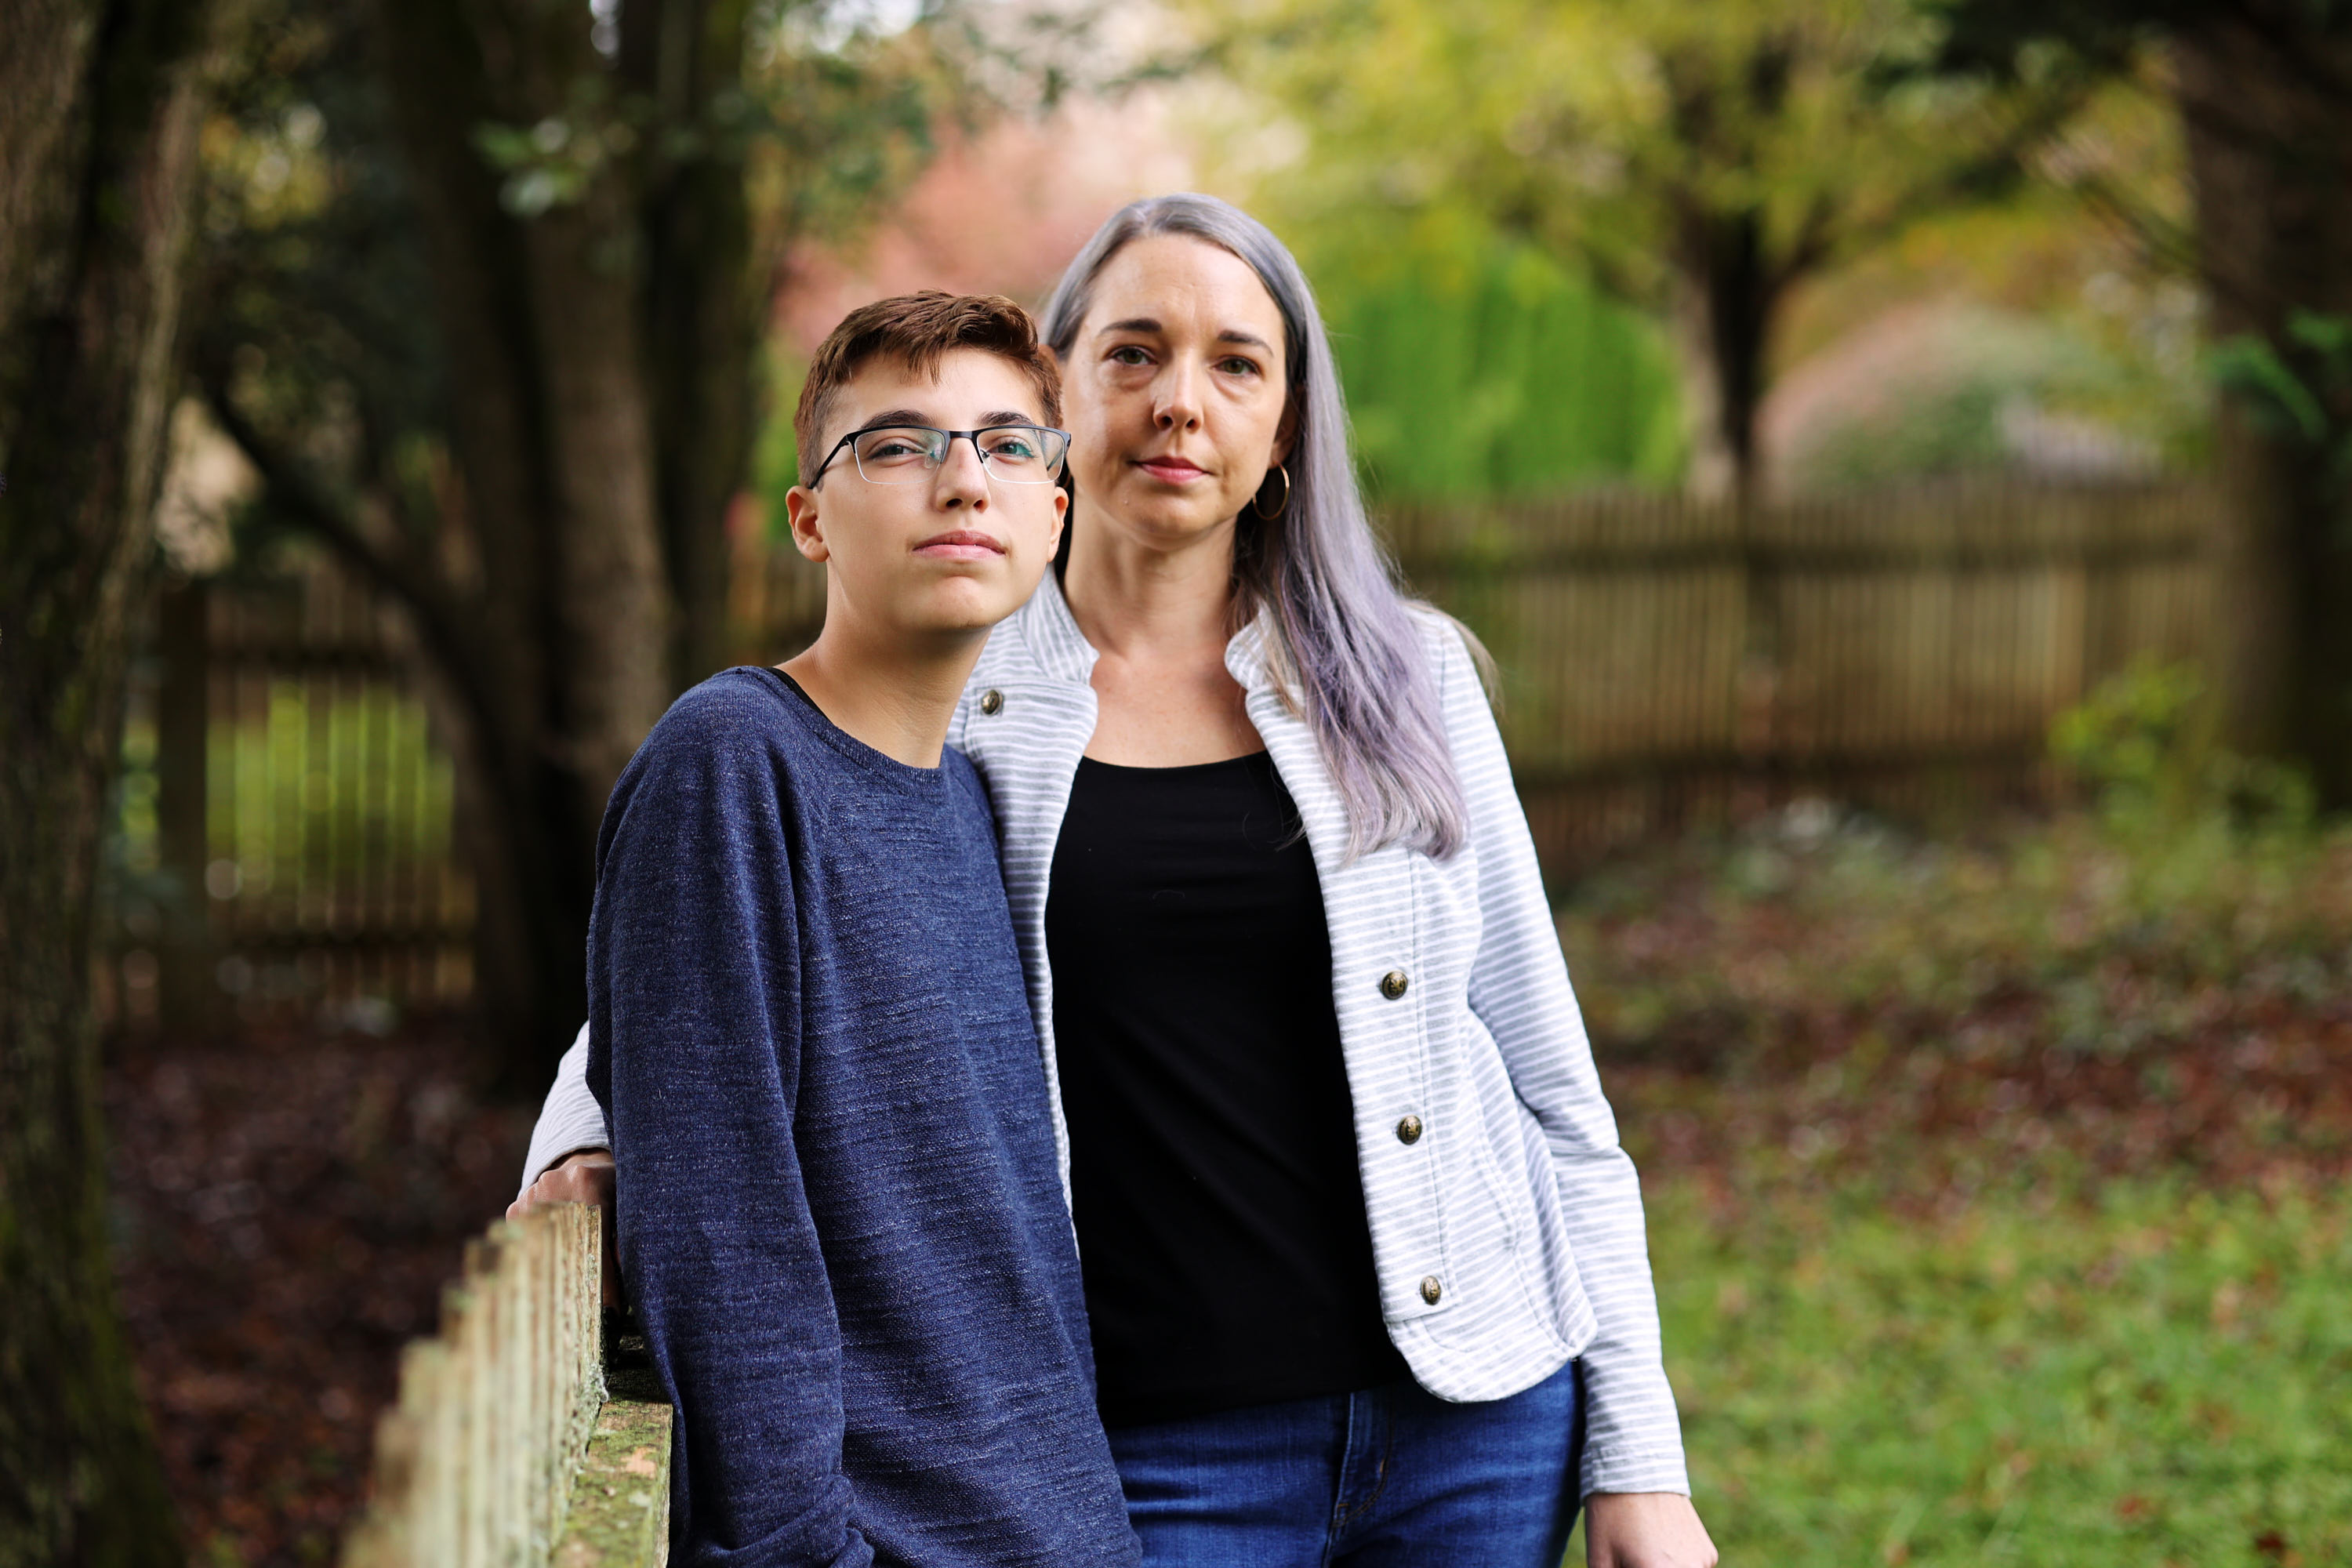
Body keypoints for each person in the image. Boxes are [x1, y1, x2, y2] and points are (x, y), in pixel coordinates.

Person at [520, 195, 1717, 1568]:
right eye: (1133, 353)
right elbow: (711, 946)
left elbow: (1554, 1088)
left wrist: (1641, 1458)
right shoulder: (961, 677)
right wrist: (581, 1134)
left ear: (1286, 428)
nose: (1179, 403)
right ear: (1064, 401)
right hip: (1149, 1440)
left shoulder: (1406, 678)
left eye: (1237, 364)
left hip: (1474, 1425)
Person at [574, 289, 1139, 1567]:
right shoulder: (733, 765)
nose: (963, 481)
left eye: (1008, 446)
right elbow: (722, 1242)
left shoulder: (972, 798)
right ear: (810, 519)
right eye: (895, 445)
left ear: (1055, 511)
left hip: (1067, 1531)